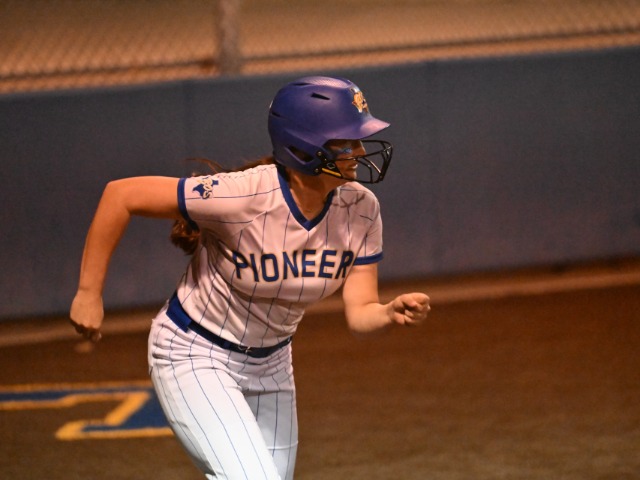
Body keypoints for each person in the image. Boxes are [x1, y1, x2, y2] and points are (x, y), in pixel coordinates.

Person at [70, 76, 430, 480]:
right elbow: (121, 195)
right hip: (194, 353)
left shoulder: (361, 209)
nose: (361, 151)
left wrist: (387, 312)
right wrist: (88, 292)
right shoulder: (242, 196)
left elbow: (360, 311)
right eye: (347, 142)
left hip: (273, 364)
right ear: (305, 147)